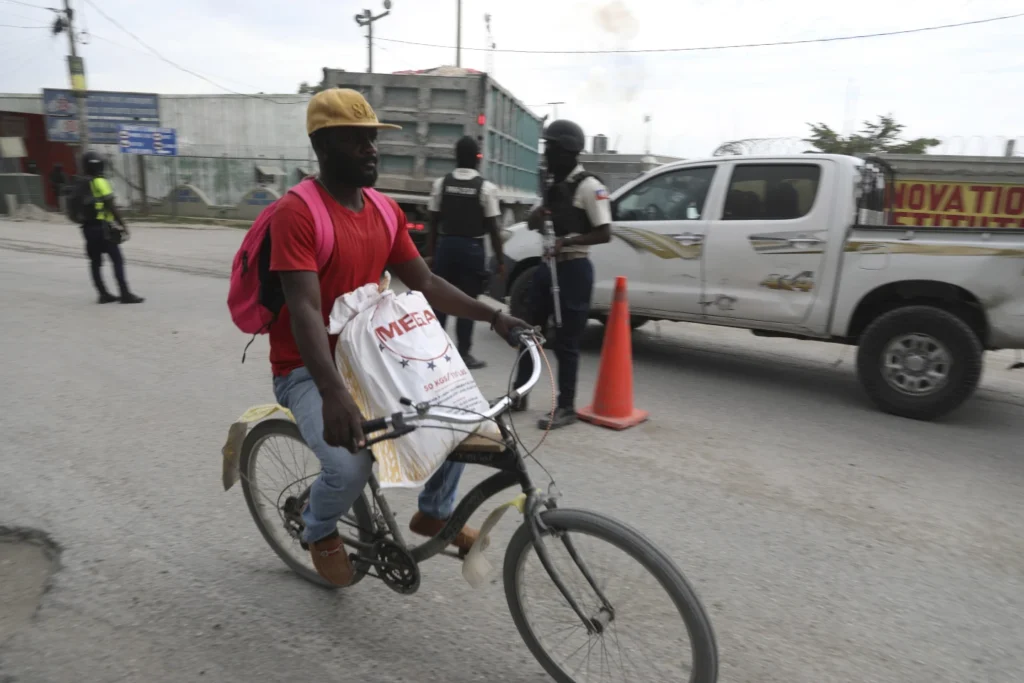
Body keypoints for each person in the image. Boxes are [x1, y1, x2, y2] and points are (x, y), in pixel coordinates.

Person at [268, 88, 529, 587]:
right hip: (308, 367)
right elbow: (303, 309)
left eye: (373, 140)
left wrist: (496, 316)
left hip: (372, 355)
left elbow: (427, 283)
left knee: (458, 412)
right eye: (357, 140)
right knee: (349, 470)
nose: (371, 150)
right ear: (323, 147)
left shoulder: (384, 211)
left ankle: (433, 513)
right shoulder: (297, 213)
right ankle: (317, 528)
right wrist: (332, 393)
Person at [513, 119, 612, 430]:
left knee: (567, 340)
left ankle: (566, 405)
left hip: (574, 268)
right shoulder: (553, 184)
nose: (547, 155)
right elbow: (532, 222)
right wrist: (537, 215)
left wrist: (568, 241)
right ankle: (519, 394)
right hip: (547, 267)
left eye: (552, 148)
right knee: (530, 332)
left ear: (569, 150)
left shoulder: (589, 187)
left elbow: (604, 232)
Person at [426, 135, 505, 369]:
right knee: (468, 302)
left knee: (440, 299)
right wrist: (500, 261)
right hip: (472, 249)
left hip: (446, 247)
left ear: (456, 157)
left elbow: (433, 222)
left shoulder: (441, 184)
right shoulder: (486, 189)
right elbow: (493, 228)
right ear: (477, 159)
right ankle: (464, 354)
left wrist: (431, 254)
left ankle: (434, 352)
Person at [79, 152, 144, 305]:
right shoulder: (100, 182)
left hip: (87, 228)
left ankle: (103, 294)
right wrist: (123, 224)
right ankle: (125, 293)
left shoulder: (80, 183)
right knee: (117, 260)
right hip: (103, 228)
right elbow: (111, 206)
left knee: (95, 262)